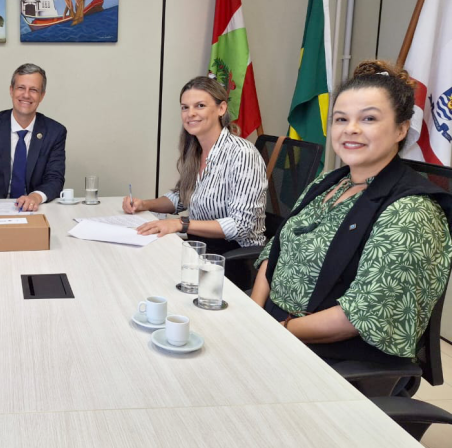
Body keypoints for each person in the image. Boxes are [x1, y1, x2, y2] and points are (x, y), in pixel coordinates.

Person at [250, 60, 452, 366]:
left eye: (368, 118)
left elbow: (360, 316)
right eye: (341, 119)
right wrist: (252, 314)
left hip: (329, 354)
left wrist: (274, 331)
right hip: (271, 325)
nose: (351, 130)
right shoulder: (327, 181)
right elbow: (275, 250)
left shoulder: (412, 211)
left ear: (400, 129)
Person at [123, 76, 267, 285]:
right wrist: (144, 204)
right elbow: (181, 198)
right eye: (185, 107)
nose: (190, 114)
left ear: (221, 108)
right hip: (199, 250)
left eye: (200, 106)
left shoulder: (242, 153)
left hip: (234, 259)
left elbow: (241, 225)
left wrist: (181, 224)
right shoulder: (196, 151)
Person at [0, 63, 66, 212]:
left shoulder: (55, 132)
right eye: (21, 88)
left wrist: (35, 197)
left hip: (33, 209)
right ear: (11, 90)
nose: (26, 95)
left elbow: (55, 179)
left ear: (42, 95)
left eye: (33, 90)